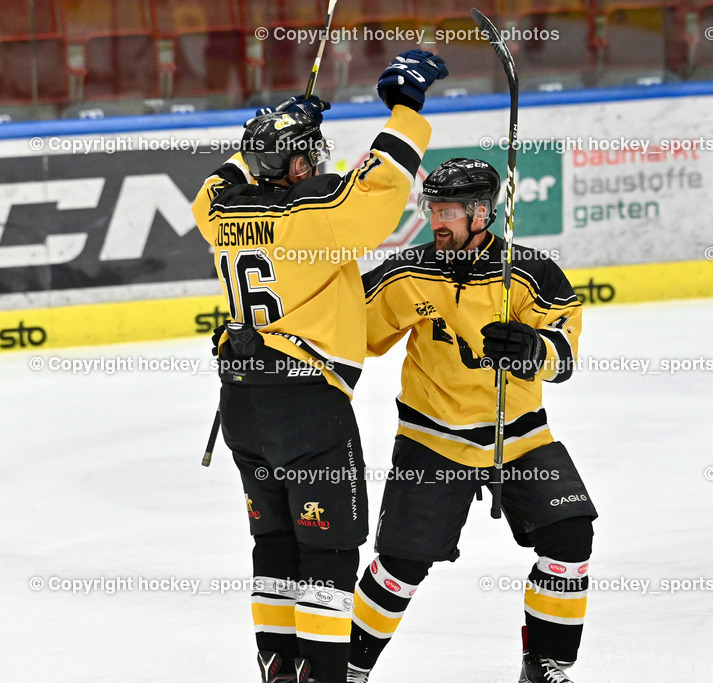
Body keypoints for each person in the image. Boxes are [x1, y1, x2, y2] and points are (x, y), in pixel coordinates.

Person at [191, 50, 448, 683]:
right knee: (328, 550)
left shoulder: (221, 215)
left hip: (243, 404)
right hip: (305, 409)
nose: (321, 161)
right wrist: (407, 110)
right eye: (311, 152)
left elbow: (212, 186)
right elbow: (383, 186)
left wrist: (264, 139)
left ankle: (279, 669)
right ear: (299, 164)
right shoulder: (314, 218)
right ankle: (325, 675)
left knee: (273, 543)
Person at [347, 159, 598, 683]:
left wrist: (533, 347)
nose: (436, 220)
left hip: (520, 436)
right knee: (400, 564)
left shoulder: (531, 274)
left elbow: (565, 356)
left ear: (481, 213)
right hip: (433, 437)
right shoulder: (407, 271)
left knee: (571, 536)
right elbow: (349, 331)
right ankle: (347, 668)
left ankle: (545, 662)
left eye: (448, 211)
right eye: (432, 208)